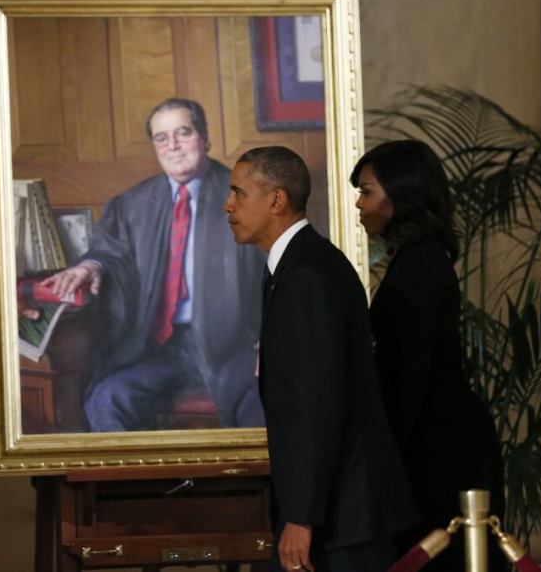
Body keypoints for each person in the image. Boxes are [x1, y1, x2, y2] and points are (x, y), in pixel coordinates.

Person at [224, 146, 416, 572]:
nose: (228, 205)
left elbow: (316, 404)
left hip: (341, 521)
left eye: (238, 192)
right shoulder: (296, 266)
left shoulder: (307, 275)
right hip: (334, 512)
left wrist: (301, 517)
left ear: (276, 200)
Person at [43, 97, 264, 432]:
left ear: (205, 138)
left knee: (266, 405)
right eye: (162, 138)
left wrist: (273, 339)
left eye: (183, 133)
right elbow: (109, 252)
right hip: (159, 347)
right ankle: (132, 486)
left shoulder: (250, 200)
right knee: (108, 399)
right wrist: (90, 268)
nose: (172, 145)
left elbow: (282, 274)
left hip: (232, 348)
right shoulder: (132, 205)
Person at [351, 139, 507, 571]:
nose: (360, 206)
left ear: (401, 194)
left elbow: (409, 375)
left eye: (367, 192)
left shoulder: (419, 265)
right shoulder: (416, 259)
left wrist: (385, 462)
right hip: (436, 441)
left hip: (440, 451)